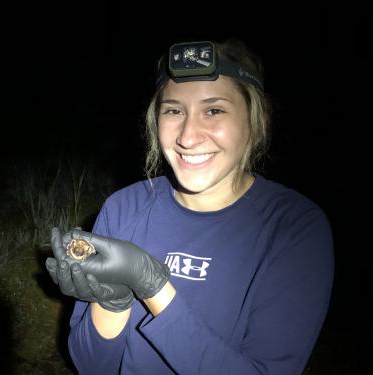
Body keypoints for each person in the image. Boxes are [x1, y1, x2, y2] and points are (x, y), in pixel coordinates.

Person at [45, 38, 334, 375]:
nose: (188, 135)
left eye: (214, 110)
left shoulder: (294, 228)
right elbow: (91, 366)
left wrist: (153, 286)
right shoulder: (123, 208)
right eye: (173, 110)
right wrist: (112, 301)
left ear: (255, 120)